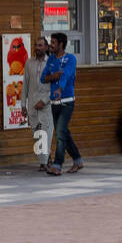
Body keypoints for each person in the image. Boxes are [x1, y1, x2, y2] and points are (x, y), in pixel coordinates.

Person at [41, 32, 82, 175]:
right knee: (64, 132)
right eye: (50, 42)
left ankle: (57, 165)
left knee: (59, 133)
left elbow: (66, 75)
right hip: (54, 102)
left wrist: (59, 88)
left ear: (61, 44)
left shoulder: (71, 59)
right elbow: (43, 78)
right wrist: (53, 76)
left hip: (67, 101)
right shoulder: (51, 59)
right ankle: (77, 160)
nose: (50, 45)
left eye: (53, 42)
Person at [21, 35, 53, 171]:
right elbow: (25, 85)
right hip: (33, 104)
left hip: (46, 105)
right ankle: (46, 158)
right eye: (36, 45)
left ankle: (43, 163)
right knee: (36, 132)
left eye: (40, 45)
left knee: (45, 132)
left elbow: (55, 87)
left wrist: (44, 101)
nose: (37, 48)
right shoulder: (29, 63)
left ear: (46, 47)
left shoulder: (52, 63)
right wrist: (23, 104)